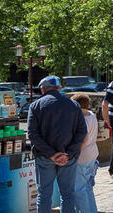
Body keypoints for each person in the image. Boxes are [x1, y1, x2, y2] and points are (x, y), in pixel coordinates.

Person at [28, 76, 87, 213]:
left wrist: (52, 154)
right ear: (59, 88)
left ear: (43, 89)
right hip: (68, 157)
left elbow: (32, 134)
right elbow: (82, 132)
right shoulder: (73, 105)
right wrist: (68, 153)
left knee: (44, 195)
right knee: (67, 194)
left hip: (45, 157)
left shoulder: (36, 106)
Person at [71, 93, 98, 213]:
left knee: (79, 189)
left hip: (82, 155)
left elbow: (83, 140)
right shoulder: (91, 115)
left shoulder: (81, 119)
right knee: (87, 186)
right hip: (92, 153)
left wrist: (73, 153)